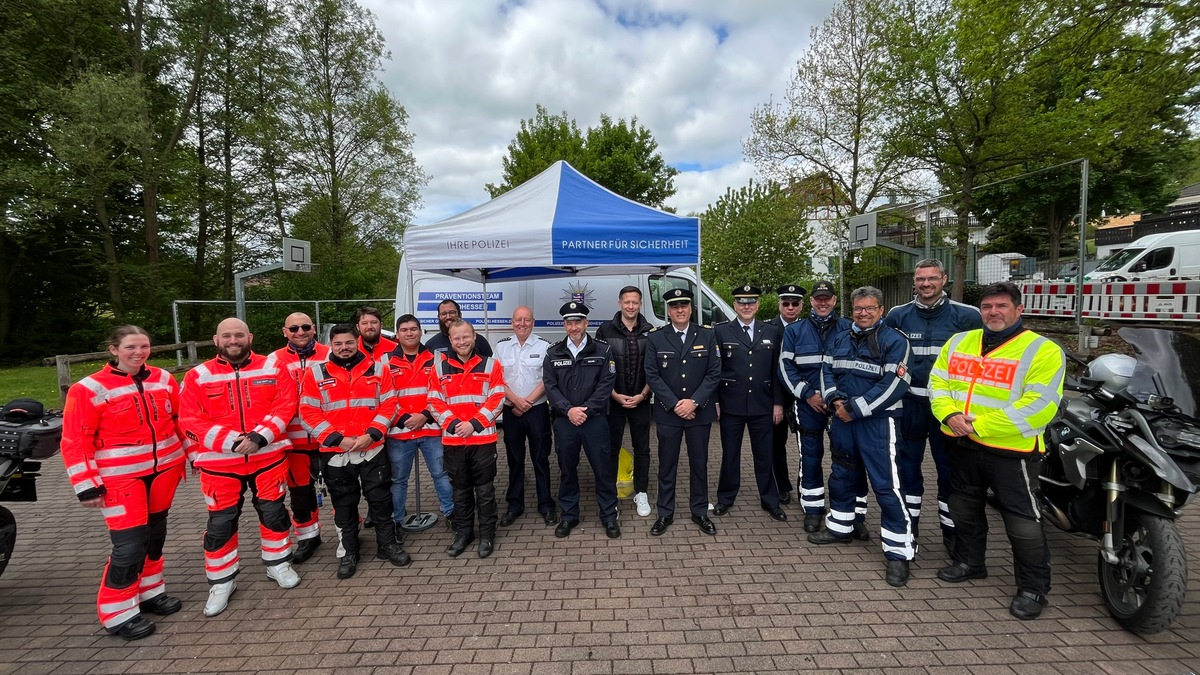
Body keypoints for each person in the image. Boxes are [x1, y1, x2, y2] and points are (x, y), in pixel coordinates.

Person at [929, 281, 1064, 620]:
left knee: (1023, 523)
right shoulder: (960, 341)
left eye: (1001, 306)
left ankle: (1033, 589)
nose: (993, 312)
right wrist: (949, 415)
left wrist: (979, 425)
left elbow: (1040, 406)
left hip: (1011, 451)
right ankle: (969, 562)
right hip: (961, 442)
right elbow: (938, 382)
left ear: (1019, 310)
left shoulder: (1042, 350)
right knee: (963, 507)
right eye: (987, 307)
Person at [60, 326, 187, 641]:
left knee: (155, 537)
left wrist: (192, 455)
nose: (139, 352)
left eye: (144, 346)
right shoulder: (87, 388)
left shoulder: (163, 378)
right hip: (119, 479)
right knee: (129, 546)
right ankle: (118, 613)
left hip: (164, 471)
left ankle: (150, 593)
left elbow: (179, 420)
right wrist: (86, 484)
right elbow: (75, 440)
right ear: (114, 349)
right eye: (131, 346)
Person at [179, 318, 301, 617]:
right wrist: (233, 441)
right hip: (220, 463)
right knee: (220, 525)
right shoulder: (198, 375)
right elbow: (189, 418)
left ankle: (278, 564)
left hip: (267, 455)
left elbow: (286, 403)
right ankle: (222, 581)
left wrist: (261, 436)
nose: (233, 341)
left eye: (239, 335)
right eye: (226, 336)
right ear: (216, 340)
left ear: (250, 337)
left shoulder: (272, 367)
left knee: (273, 513)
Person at [808, 287, 914, 588]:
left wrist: (855, 409)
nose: (863, 313)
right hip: (843, 420)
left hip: (877, 423)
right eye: (858, 308)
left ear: (881, 309)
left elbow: (896, 383)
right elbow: (825, 371)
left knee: (886, 485)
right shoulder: (840, 338)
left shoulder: (896, 341)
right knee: (842, 474)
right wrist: (836, 401)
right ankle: (841, 525)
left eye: (869, 308)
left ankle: (898, 553)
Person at [883, 259, 982, 552]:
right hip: (908, 405)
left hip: (947, 411)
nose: (926, 284)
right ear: (914, 281)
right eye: (920, 279)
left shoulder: (968, 316)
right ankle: (908, 527)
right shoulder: (897, 315)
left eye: (932, 278)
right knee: (906, 470)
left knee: (950, 473)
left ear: (944, 279)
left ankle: (951, 533)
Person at [299, 324, 409, 579]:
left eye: (349, 343)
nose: (344, 348)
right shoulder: (315, 374)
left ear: (357, 342)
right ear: (331, 345)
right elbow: (307, 412)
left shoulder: (379, 369)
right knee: (344, 504)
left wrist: (371, 433)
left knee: (380, 501)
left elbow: (390, 404)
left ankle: (387, 545)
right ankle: (349, 551)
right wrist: (338, 439)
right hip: (336, 452)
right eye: (338, 344)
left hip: (371, 448)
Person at [780, 281, 869, 536]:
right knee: (810, 457)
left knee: (849, 459)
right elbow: (785, 369)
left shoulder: (848, 329)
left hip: (840, 404)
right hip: (807, 405)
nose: (822, 303)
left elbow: (855, 367)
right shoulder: (795, 331)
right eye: (818, 299)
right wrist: (808, 395)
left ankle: (856, 513)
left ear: (834, 301)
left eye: (827, 299)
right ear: (811, 301)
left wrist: (835, 398)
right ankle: (813, 509)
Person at [643, 288, 721, 536]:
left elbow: (714, 373)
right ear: (668, 310)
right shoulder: (656, 338)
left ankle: (700, 512)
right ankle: (665, 513)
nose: (680, 310)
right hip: (669, 413)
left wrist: (694, 402)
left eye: (684, 305)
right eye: (675, 306)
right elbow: (652, 375)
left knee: (699, 463)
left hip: (699, 413)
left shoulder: (707, 335)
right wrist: (677, 404)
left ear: (690, 308)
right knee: (667, 465)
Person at [427, 319, 506, 558]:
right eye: (457, 338)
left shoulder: (491, 365)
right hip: (453, 441)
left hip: (482, 440)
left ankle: (487, 535)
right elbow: (433, 400)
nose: (462, 342)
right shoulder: (439, 367)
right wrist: (453, 425)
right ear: (450, 340)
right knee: (459, 492)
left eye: (466, 337)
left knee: (484, 491)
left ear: (474, 337)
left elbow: (498, 398)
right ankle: (463, 533)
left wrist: (473, 424)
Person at [542, 302, 619, 538]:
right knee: (567, 470)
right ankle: (569, 516)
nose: (573, 327)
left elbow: (606, 384)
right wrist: (569, 410)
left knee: (603, 470)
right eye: (569, 322)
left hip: (594, 420)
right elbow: (550, 386)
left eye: (578, 322)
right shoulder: (553, 353)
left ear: (586, 323)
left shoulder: (603, 350)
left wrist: (585, 410)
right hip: (566, 422)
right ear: (564, 325)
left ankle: (608, 516)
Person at [712, 285, 786, 522]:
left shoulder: (772, 331)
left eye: (751, 302)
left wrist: (778, 403)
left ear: (758, 305)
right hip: (731, 404)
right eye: (742, 303)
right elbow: (714, 369)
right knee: (730, 455)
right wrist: (714, 401)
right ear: (734, 305)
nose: (746, 307)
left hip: (763, 405)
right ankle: (725, 498)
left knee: (765, 455)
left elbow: (777, 370)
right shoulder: (721, 331)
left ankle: (770, 500)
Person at [382, 314, 455, 533]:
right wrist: (404, 418)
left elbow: (443, 392)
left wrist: (425, 414)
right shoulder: (385, 362)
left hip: (431, 428)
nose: (409, 333)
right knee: (398, 480)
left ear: (421, 331)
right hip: (399, 430)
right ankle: (397, 520)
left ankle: (451, 514)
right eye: (404, 330)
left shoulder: (436, 359)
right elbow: (383, 396)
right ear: (397, 334)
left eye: (414, 329)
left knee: (441, 474)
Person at [270, 312, 329, 564]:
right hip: (293, 441)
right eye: (293, 328)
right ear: (285, 331)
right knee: (300, 495)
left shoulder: (329, 353)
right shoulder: (273, 360)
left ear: (313, 328)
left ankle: (348, 533)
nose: (300, 332)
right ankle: (308, 538)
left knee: (340, 490)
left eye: (305, 327)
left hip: (328, 437)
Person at [595, 285, 654, 517]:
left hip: (641, 400)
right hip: (614, 401)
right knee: (610, 449)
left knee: (643, 449)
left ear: (640, 304)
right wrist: (614, 394)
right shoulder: (604, 330)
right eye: (627, 302)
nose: (631, 306)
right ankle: (611, 498)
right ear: (620, 303)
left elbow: (654, 368)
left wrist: (644, 394)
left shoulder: (651, 331)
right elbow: (599, 368)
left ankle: (641, 492)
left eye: (635, 302)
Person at [494, 306, 555, 527]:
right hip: (512, 412)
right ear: (512, 322)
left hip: (536, 410)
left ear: (533, 321)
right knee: (515, 460)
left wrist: (527, 401)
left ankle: (546, 504)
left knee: (541, 459)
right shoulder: (501, 347)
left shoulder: (545, 346)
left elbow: (548, 379)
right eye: (518, 319)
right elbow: (496, 379)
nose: (522, 323)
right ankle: (514, 505)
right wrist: (516, 401)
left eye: (526, 319)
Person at [765, 284, 806, 505]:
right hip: (777, 397)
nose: (790, 307)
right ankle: (781, 486)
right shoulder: (768, 328)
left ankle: (805, 487)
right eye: (786, 303)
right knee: (776, 445)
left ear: (801, 305)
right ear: (779, 305)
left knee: (806, 447)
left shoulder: (809, 328)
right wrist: (777, 402)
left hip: (803, 396)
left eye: (795, 303)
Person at [424, 299, 493, 358]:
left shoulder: (479, 341)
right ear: (438, 317)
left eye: (452, 312)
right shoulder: (431, 344)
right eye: (444, 314)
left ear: (460, 314)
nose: (448, 317)